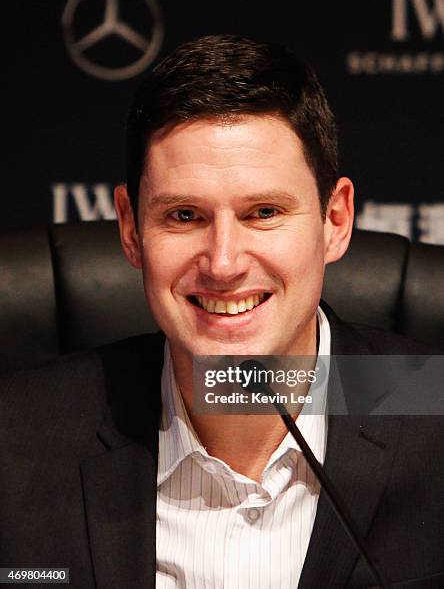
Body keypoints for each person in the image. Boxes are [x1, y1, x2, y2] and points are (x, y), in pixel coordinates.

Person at [0, 35, 443, 589]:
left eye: (263, 212)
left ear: (336, 220)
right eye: (184, 215)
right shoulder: (15, 435)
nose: (224, 263)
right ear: (130, 228)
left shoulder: (432, 403)